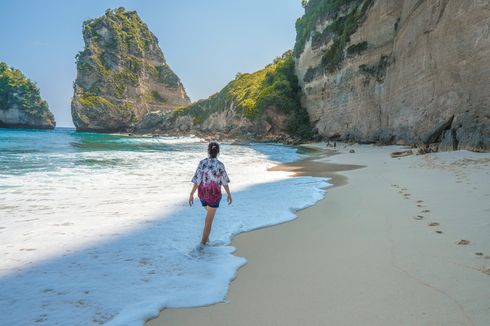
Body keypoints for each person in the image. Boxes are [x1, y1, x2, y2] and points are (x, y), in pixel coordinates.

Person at [189, 141, 232, 247]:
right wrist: (229, 194)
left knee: (208, 218)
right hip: (213, 196)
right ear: (218, 152)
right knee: (208, 222)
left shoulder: (202, 162)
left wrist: (191, 194)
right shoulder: (220, 165)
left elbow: (196, 180)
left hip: (202, 194)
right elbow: (225, 182)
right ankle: (202, 246)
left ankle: (206, 240)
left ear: (208, 151)